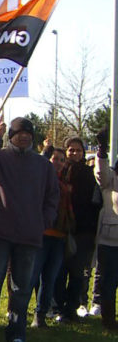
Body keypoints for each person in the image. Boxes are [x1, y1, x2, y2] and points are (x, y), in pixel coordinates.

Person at [0, 116, 59, 342]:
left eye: (28, 133)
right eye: (18, 133)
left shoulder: (44, 165)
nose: (24, 136)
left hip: (29, 235)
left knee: (22, 287)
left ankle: (16, 332)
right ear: (11, 136)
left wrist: (44, 221)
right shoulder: (0, 157)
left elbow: (52, 197)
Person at [55, 136, 99, 323]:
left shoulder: (89, 175)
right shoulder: (59, 172)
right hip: (60, 229)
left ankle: (71, 309)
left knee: (76, 273)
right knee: (58, 272)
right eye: (71, 150)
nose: (74, 153)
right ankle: (58, 306)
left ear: (83, 153)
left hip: (82, 231)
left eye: (78, 150)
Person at [29, 147, 72, 328]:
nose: (58, 162)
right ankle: (19, 312)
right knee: (31, 276)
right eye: (55, 158)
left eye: (62, 160)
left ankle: (41, 314)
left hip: (59, 236)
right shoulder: (39, 179)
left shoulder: (67, 183)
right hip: (41, 234)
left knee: (50, 278)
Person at [94, 127, 118, 331]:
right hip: (111, 240)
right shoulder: (111, 180)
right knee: (109, 282)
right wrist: (102, 149)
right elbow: (101, 171)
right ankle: (108, 320)